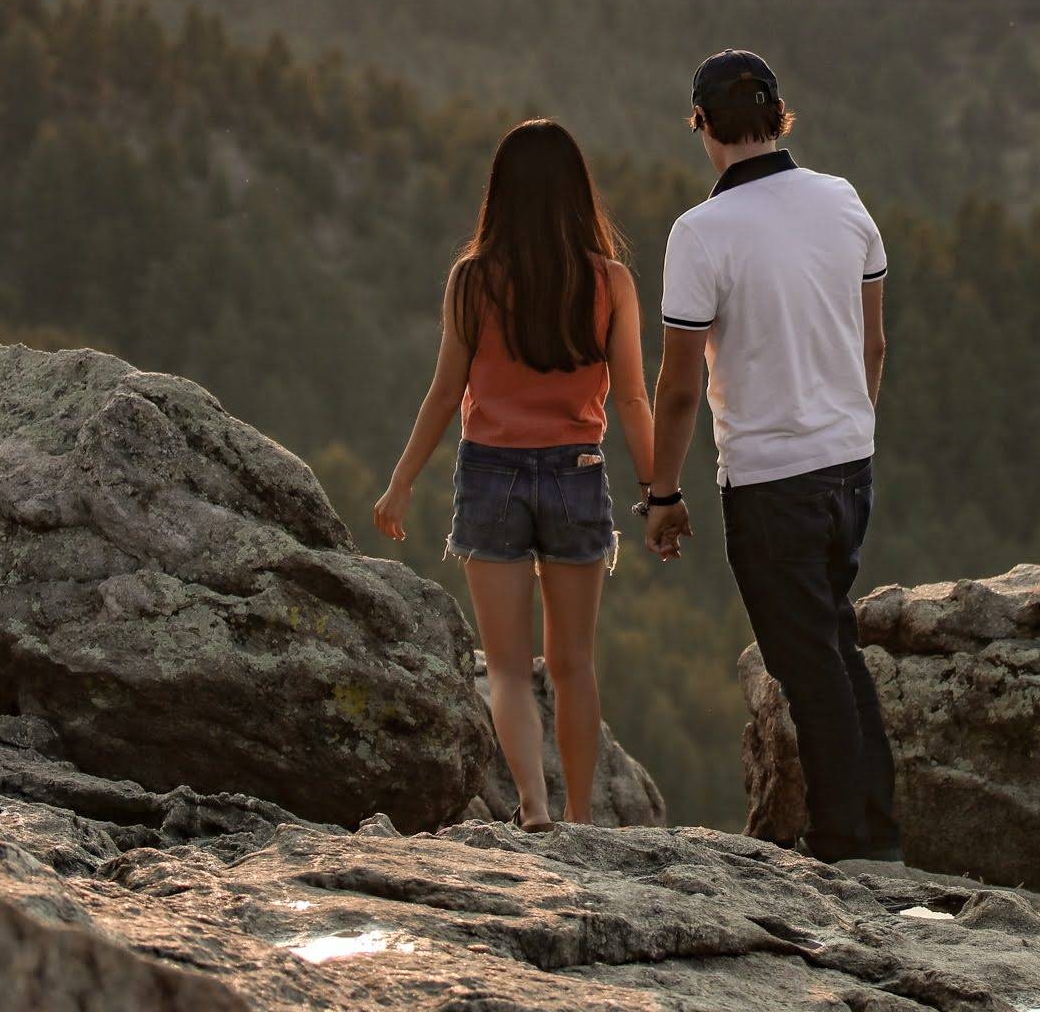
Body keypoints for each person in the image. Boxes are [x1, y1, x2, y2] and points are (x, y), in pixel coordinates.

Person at [643, 50, 900, 864]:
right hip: (847, 463)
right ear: (778, 115)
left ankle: (846, 845)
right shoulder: (841, 199)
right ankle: (875, 831)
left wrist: (660, 493)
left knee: (807, 663)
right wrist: (848, 428)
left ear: (702, 126)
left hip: (767, 477)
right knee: (832, 641)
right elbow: (875, 341)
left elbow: (680, 387)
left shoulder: (700, 234)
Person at [374, 119, 654, 832]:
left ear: (498, 195)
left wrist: (402, 479)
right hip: (576, 471)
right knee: (573, 664)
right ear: (576, 195)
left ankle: (531, 804)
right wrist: (659, 489)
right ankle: (583, 816)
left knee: (504, 667)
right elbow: (629, 398)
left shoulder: (472, 281)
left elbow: (444, 393)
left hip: (491, 475)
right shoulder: (610, 281)